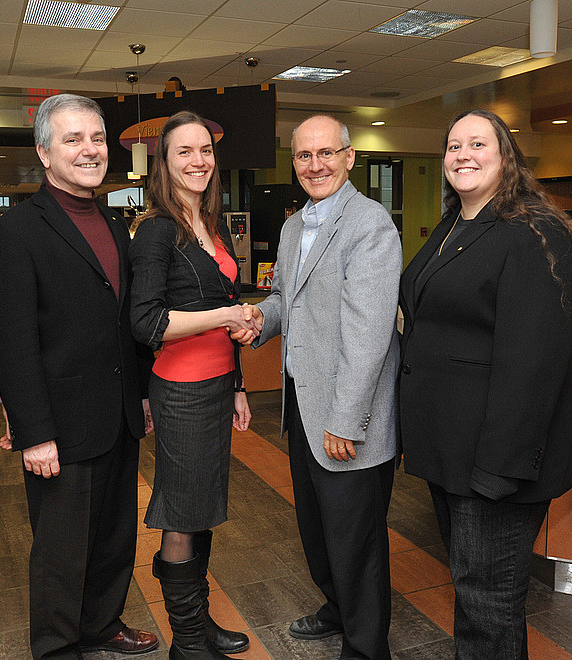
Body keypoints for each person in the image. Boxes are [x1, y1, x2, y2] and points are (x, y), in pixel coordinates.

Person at [398, 109, 572, 659]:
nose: (463, 155)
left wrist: (498, 466)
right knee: (476, 593)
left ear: (507, 156)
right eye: (453, 145)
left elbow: (533, 365)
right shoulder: (457, 223)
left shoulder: (533, 232)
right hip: (451, 448)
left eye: (478, 144)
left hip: (496, 458)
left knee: (488, 603)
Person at [0, 93, 158, 660]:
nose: (90, 151)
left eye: (97, 139)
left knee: (114, 539)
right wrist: (34, 432)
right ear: (44, 151)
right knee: (61, 551)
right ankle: (58, 647)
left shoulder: (112, 220)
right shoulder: (18, 231)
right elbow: (13, 343)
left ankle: (101, 626)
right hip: (59, 425)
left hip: (118, 414)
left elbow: (123, 323)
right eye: (73, 139)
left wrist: (143, 395)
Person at [243, 114, 401, 660]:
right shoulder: (293, 227)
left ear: (349, 157)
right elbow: (289, 298)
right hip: (303, 409)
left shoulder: (371, 225)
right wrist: (259, 319)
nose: (316, 165)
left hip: (344, 419)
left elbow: (368, 334)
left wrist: (345, 418)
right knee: (319, 534)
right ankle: (338, 608)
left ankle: (365, 646)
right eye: (305, 156)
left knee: (356, 545)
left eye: (327, 154)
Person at [129, 110, 258, 660]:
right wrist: (225, 318)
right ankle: (186, 641)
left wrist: (237, 384)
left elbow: (222, 306)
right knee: (182, 512)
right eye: (185, 151)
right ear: (166, 161)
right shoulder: (157, 228)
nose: (198, 160)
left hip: (213, 386)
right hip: (180, 392)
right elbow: (148, 321)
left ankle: (199, 624)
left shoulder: (213, 222)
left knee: (202, 510)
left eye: (205, 150)